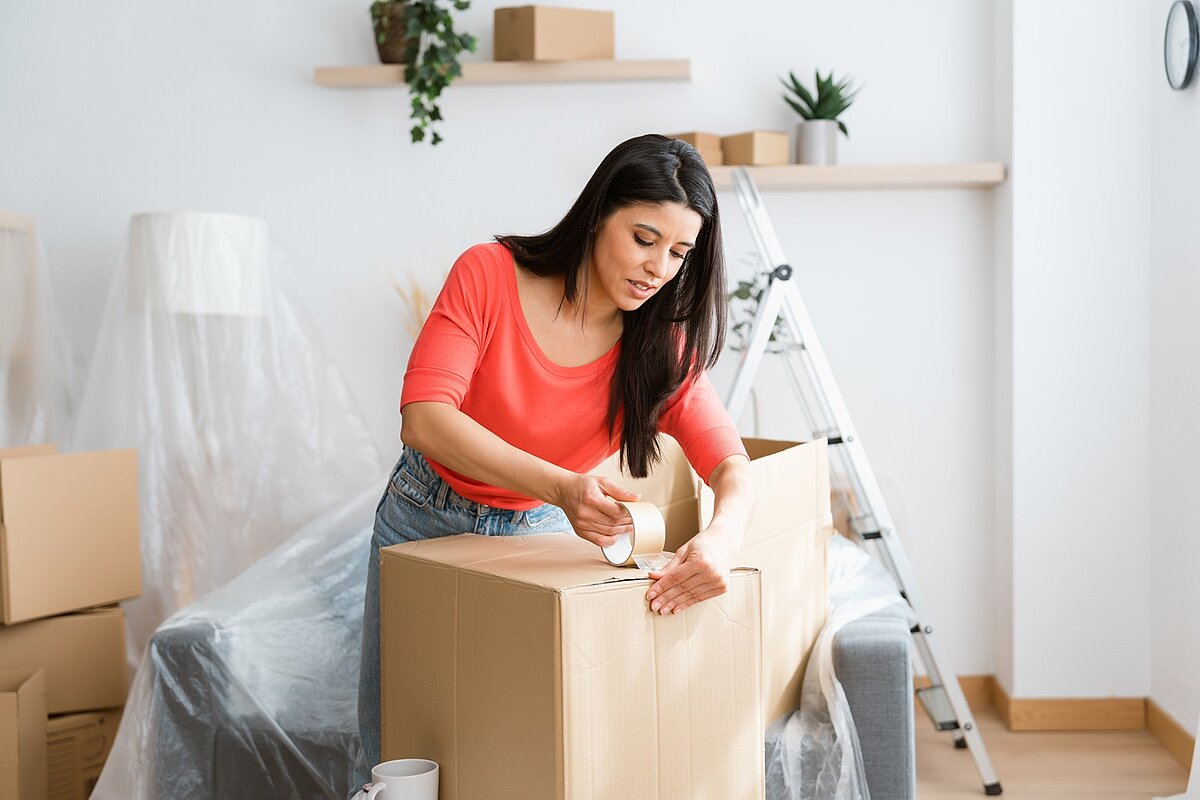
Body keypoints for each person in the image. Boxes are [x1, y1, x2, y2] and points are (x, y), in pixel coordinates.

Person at [352, 132, 756, 793]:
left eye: (679, 253)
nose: (659, 267)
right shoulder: (489, 273)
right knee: (397, 756)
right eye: (644, 238)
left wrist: (723, 536)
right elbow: (424, 418)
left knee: (519, 751)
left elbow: (732, 466)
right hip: (423, 518)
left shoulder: (660, 343)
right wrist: (562, 487)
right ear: (599, 214)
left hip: (534, 536)